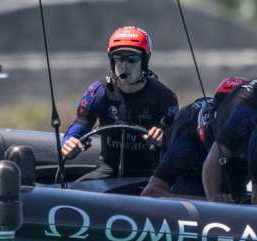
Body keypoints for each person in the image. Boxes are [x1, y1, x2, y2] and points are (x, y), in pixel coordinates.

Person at [60, 26, 179, 181]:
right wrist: (69, 143)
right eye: (119, 58)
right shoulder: (98, 92)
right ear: (111, 61)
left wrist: (165, 140)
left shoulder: (164, 96)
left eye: (132, 59)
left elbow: (180, 143)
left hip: (150, 175)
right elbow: (80, 124)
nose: (125, 65)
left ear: (144, 61)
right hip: (108, 170)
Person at [141, 76, 248, 198]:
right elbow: (151, 192)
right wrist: (210, 203)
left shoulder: (250, 126)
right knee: (190, 188)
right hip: (191, 162)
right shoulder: (187, 141)